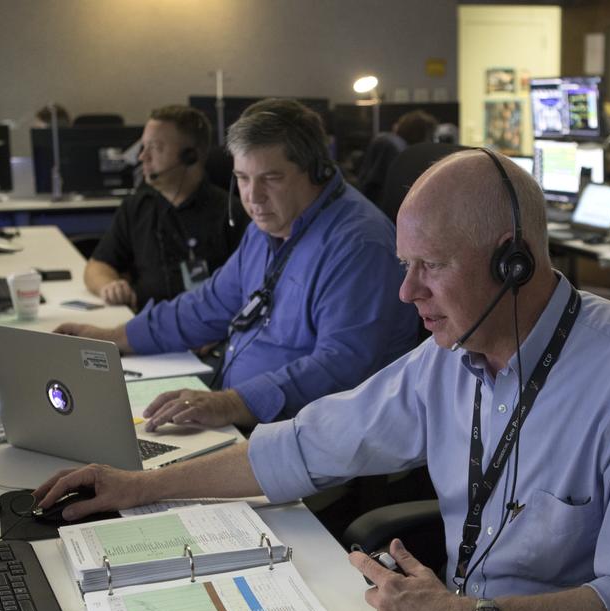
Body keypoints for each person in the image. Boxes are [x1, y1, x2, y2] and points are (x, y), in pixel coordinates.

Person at [37, 149, 610, 611]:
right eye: (404, 264)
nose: (405, 292)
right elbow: (307, 446)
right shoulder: (453, 354)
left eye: (431, 267)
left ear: (514, 262)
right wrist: (141, 485)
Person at [56, 99, 417, 430]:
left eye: (271, 178)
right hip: (240, 415)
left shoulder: (359, 246)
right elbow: (207, 306)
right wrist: (112, 338)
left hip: (309, 434)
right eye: (242, 179)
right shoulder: (270, 224)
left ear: (318, 171)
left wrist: (230, 404)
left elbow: (339, 368)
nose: (253, 198)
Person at [83, 105, 241, 309]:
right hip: (145, 328)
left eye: (155, 148)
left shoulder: (230, 213)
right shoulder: (137, 207)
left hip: (208, 332)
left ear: (190, 156)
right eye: (144, 146)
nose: (142, 157)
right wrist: (110, 286)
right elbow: (97, 265)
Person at [354, 109, 439, 202]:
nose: (433, 141)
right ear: (422, 134)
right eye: (431, 136)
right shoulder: (405, 156)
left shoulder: (392, 145)